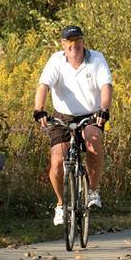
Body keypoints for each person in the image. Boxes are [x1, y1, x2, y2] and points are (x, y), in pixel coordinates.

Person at [33, 25, 113, 225]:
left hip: (91, 114)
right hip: (63, 117)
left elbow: (106, 86)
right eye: (69, 42)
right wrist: (39, 109)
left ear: (83, 42)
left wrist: (103, 109)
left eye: (77, 41)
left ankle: (93, 190)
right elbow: (44, 86)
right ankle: (61, 204)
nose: (73, 45)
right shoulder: (56, 61)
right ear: (63, 44)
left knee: (93, 141)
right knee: (57, 161)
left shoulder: (96, 59)